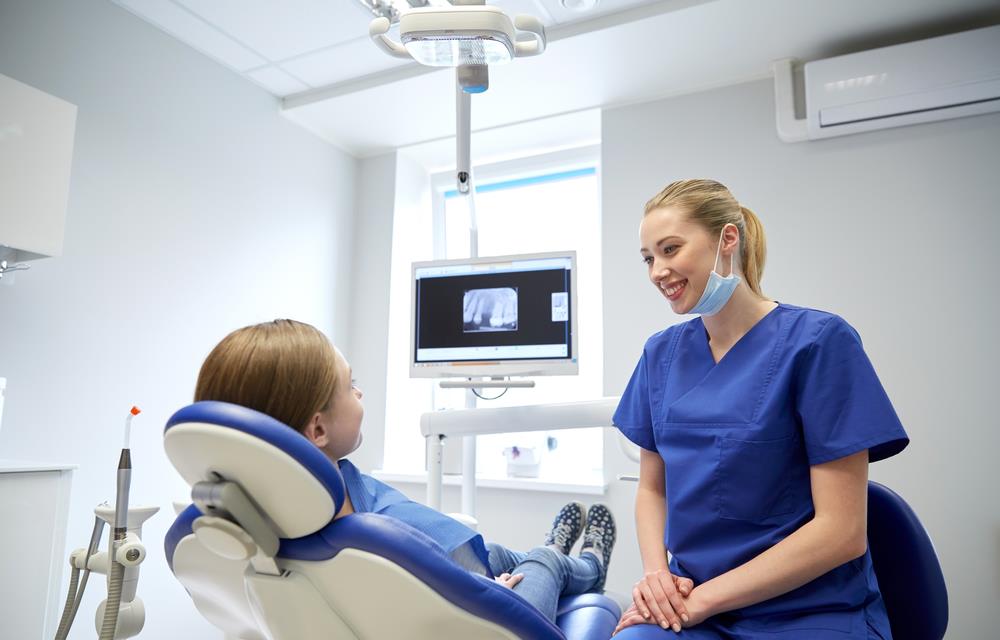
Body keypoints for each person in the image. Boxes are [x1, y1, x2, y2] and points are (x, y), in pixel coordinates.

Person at [612, 179, 908, 639]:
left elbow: (842, 531)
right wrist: (657, 580)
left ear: (727, 239)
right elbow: (653, 489)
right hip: (692, 600)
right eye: (649, 258)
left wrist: (700, 603)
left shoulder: (818, 343)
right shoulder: (660, 355)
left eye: (671, 249)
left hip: (809, 611)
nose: (657, 271)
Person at [193, 318, 616, 624]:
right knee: (542, 561)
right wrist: (490, 599)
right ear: (317, 428)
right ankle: (584, 563)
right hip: (481, 614)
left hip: (460, 566)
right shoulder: (369, 542)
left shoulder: (252, 523)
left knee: (501, 553)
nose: (359, 392)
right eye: (349, 385)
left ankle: (552, 555)